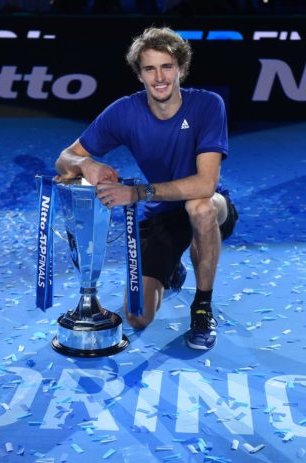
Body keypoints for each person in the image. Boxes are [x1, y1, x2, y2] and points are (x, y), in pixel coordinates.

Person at [54, 26, 238, 350]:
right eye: (150, 69)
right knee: (138, 316)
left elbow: (205, 183)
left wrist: (138, 193)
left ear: (181, 69)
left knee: (201, 207)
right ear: (140, 75)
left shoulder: (208, 105)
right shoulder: (125, 111)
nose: (160, 77)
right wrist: (86, 164)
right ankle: (173, 273)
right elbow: (64, 158)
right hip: (161, 216)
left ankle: (202, 308)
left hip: (208, 203)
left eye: (167, 66)